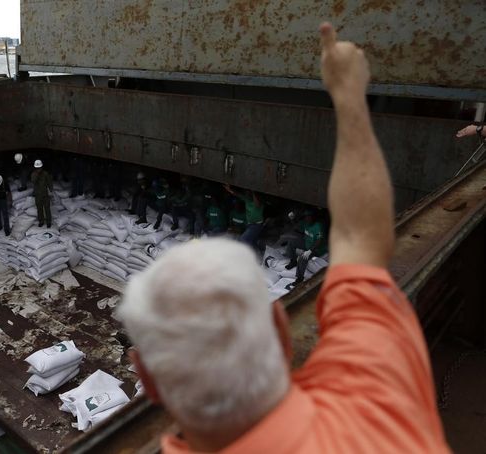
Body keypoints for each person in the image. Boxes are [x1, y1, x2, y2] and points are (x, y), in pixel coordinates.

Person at [118, 23, 449, 454]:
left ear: (146, 380)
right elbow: (359, 234)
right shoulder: (372, 404)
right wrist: (349, 96)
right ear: (279, 326)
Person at [224, 184, 264, 250]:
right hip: (250, 224)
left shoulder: (258, 202)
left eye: (248, 193)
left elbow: (257, 204)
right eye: (246, 193)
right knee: (252, 242)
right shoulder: (247, 200)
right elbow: (237, 194)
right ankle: (257, 255)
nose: (247, 195)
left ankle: (245, 256)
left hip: (256, 225)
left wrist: (253, 191)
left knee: (243, 240)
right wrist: (230, 190)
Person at [31, 160, 53, 228]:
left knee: (47, 209)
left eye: (39, 168)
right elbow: (33, 181)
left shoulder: (45, 174)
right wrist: (37, 175)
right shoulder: (33, 174)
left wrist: (50, 190)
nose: (38, 169)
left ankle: (48, 222)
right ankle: (41, 221)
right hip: (37, 195)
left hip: (45, 194)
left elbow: (49, 182)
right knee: (39, 209)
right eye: (37, 168)